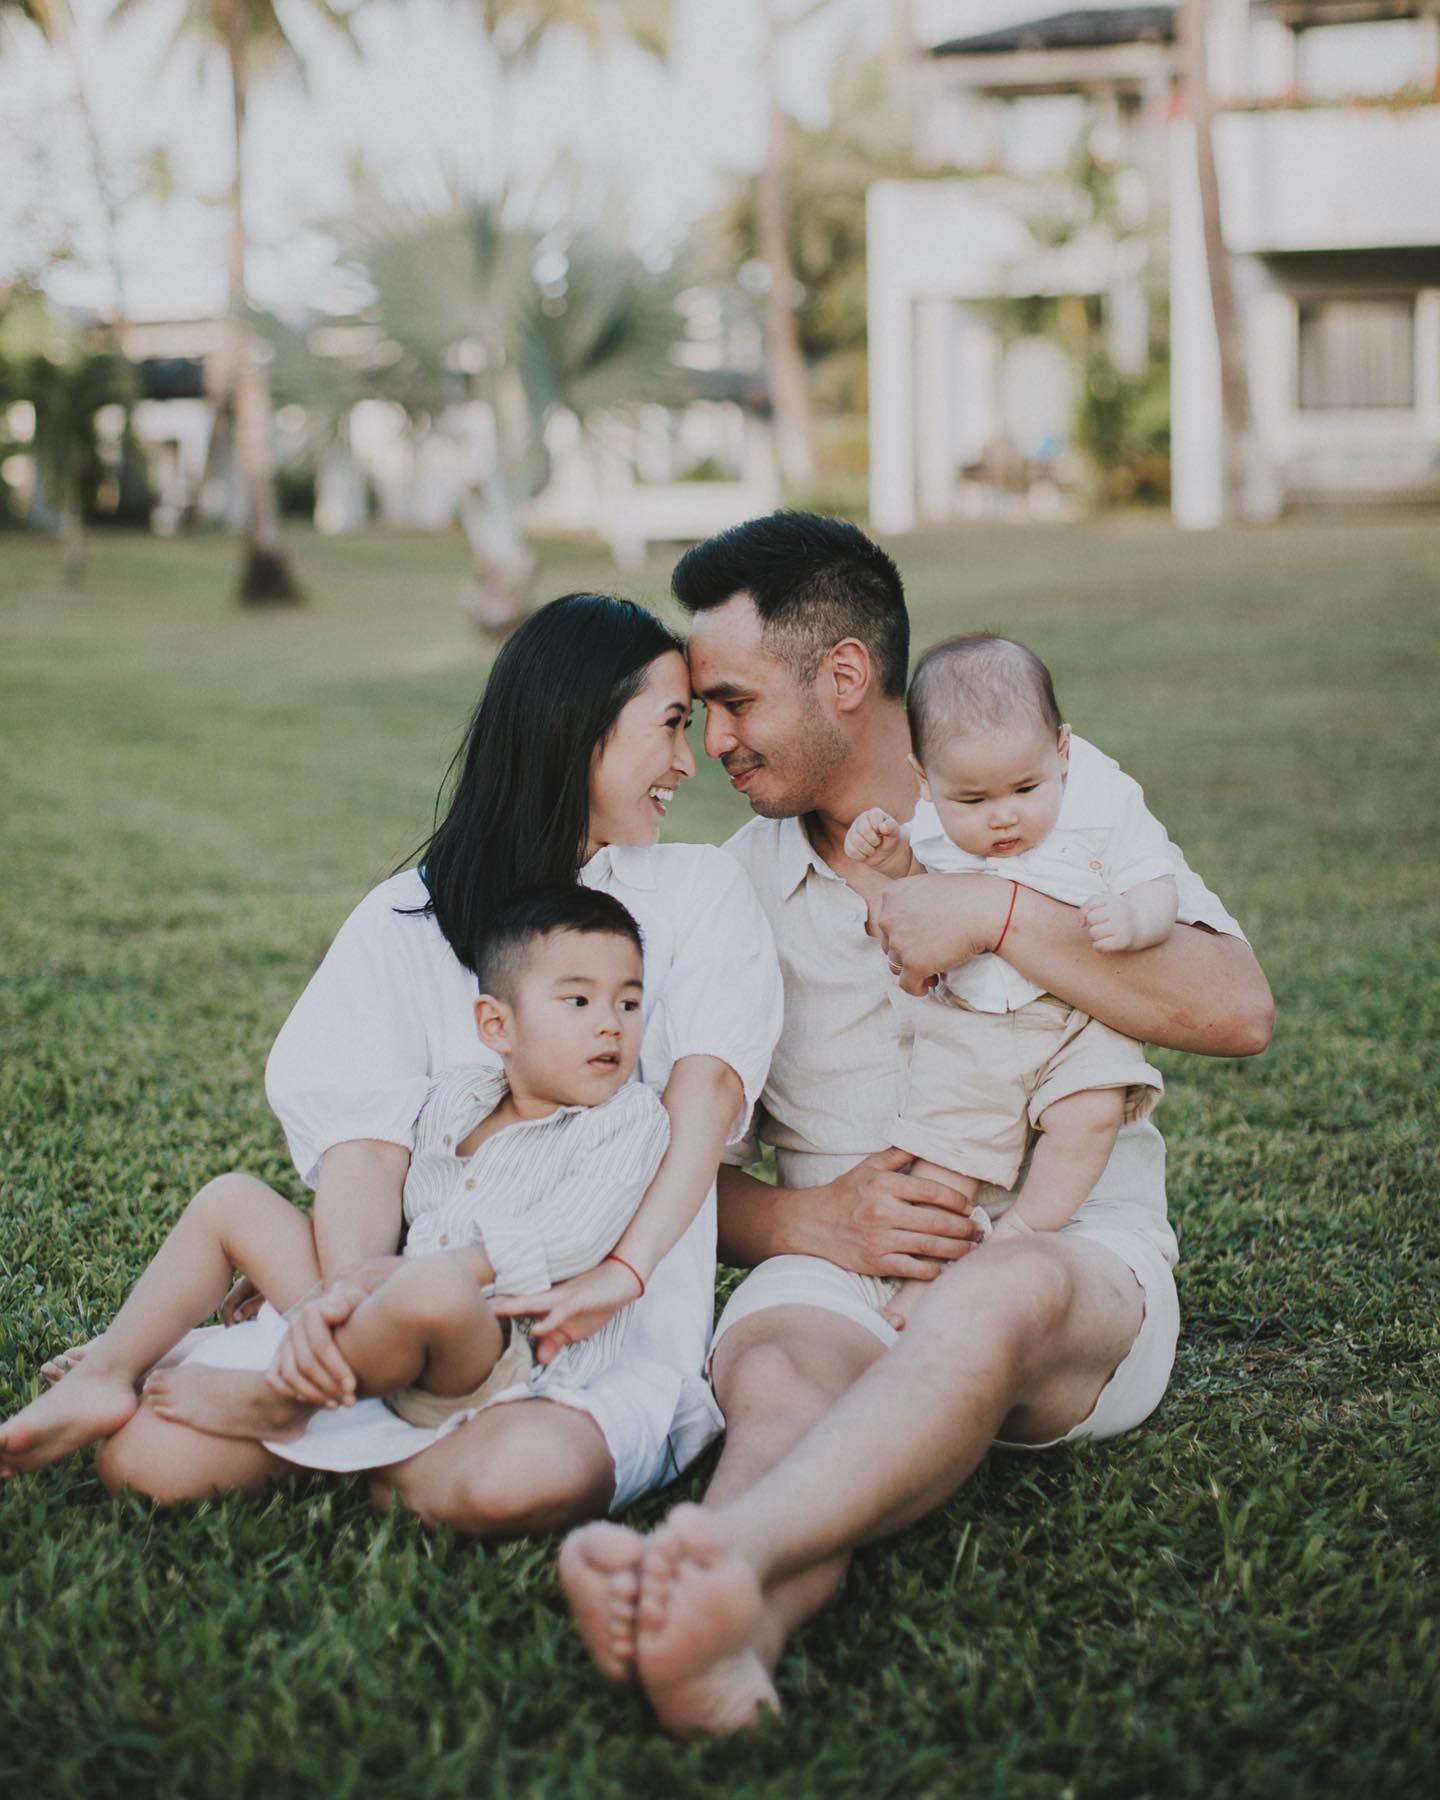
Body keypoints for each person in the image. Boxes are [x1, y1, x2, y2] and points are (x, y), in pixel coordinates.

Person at [558, 511, 1273, 1736]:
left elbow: (1238, 1008)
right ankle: (731, 1628)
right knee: (775, 1374)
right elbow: (654, 1167)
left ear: (844, 676)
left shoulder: (1052, 804)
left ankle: (722, 1554)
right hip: (840, 1275)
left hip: (1065, 1258)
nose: (711, 742)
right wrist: (809, 1220)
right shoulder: (725, 894)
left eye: (731, 702)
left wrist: (993, 911)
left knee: (994, 1297)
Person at [17, 594, 781, 1529]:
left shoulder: (700, 892)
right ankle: (345, 1411)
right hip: (406, 1316)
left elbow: (706, 1096)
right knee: (144, 1464)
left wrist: (621, 1270)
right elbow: (368, 1147)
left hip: (586, 1336)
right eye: (669, 726)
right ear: (578, 727)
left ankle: (333, 1439)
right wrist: (337, 1319)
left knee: (518, 1476)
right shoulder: (407, 918)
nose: (685, 761)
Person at [0, 889, 672, 1479]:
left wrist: (396, 1278)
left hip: (489, 1356)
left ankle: (280, 1398)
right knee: (233, 1198)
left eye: (630, 1001)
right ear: (496, 1024)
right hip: (379, 1312)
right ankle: (112, 1372)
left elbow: (573, 1237)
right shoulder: (454, 1097)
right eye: (579, 1000)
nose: (611, 1022)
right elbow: (386, 1197)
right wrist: (334, 1272)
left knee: (431, 1284)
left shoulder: (627, 1118)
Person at [843, 632, 1184, 1331]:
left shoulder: (1104, 804)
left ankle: (1021, 1235)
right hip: (977, 1023)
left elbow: (1157, 880)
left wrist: (1135, 919)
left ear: (1061, 751)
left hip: (1079, 1013)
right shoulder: (933, 826)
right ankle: (922, 1286)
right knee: (944, 1167)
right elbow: (923, 904)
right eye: (971, 798)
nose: (1003, 815)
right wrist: (894, 860)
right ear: (924, 779)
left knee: (1088, 1115)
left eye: (1026, 789)